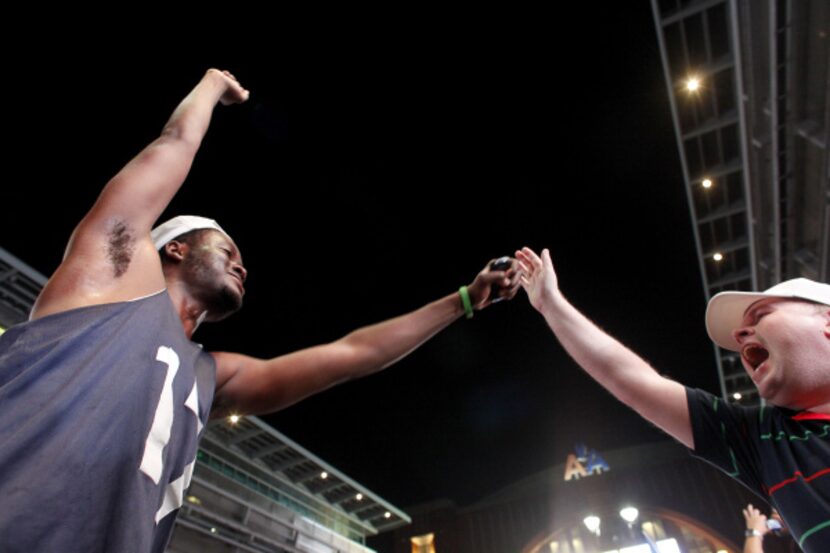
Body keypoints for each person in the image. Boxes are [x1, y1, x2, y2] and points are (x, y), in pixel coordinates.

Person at [0, 69, 520, 553]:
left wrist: (465, 300)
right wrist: (210, 86)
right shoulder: (109, 276)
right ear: (174, 248)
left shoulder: (209, 377)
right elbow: (174, 144)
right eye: (229, 251)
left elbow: (354, 353)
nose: (243, 268)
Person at [515, 247, 830, 552]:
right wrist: (551, 305)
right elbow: (632, 380)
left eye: (761, 314)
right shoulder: (764, 441)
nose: (740, 335)